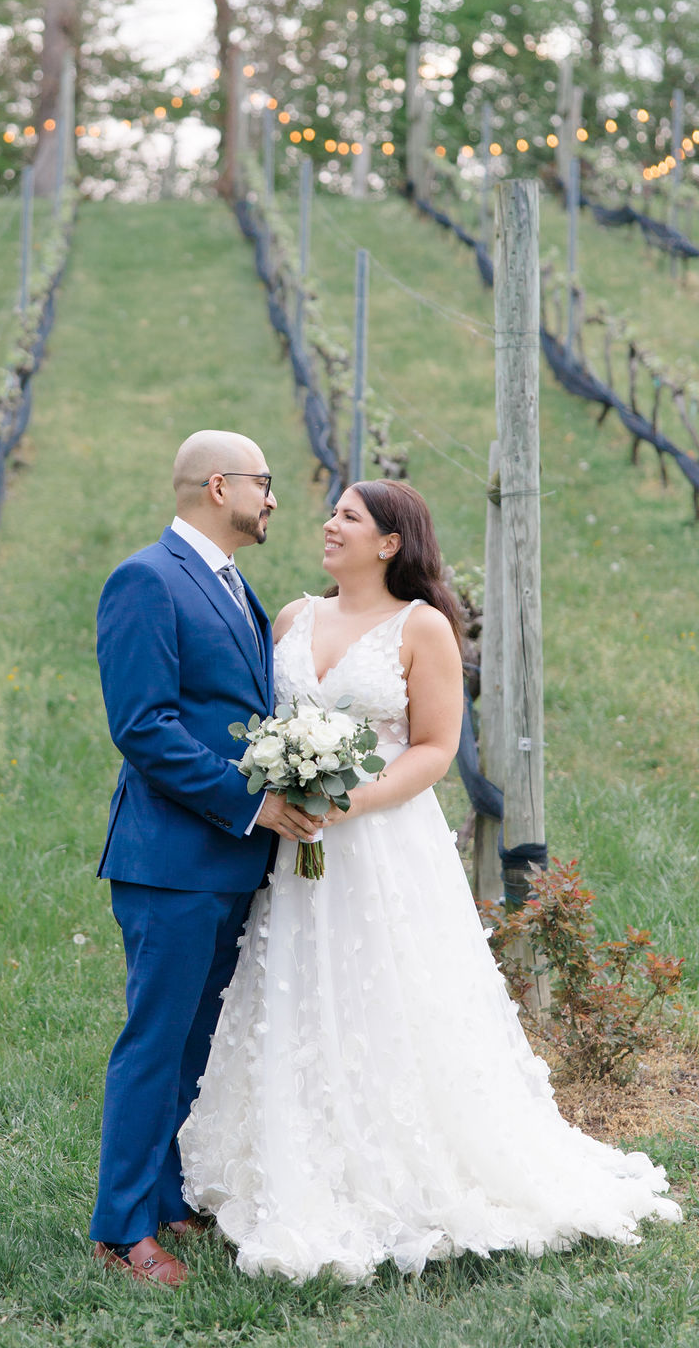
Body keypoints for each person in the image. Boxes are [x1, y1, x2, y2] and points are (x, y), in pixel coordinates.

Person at [179, 478, 681, 1283]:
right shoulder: (293, 618)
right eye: (332, 512)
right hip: (298, 843)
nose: (328, 524)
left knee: (390, 989)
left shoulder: (423, 627)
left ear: (390, 543)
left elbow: (435, 747)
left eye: (348, 516)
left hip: (383, 843)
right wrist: (288, 784)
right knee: (300, 987)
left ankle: (402, 1161)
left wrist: (351, 800)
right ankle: (297, 1152)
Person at [90, 430, 323, 1288]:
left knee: (196, 1039)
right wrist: (252, 801)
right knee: (155, 1041)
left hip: (228, 860)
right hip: (170, 861)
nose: (274, 500)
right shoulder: (146, 580)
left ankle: (163, 1196)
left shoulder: (230, 582)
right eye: (264, 483)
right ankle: (119, 1230)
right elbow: (143, 727)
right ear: (220, 486)